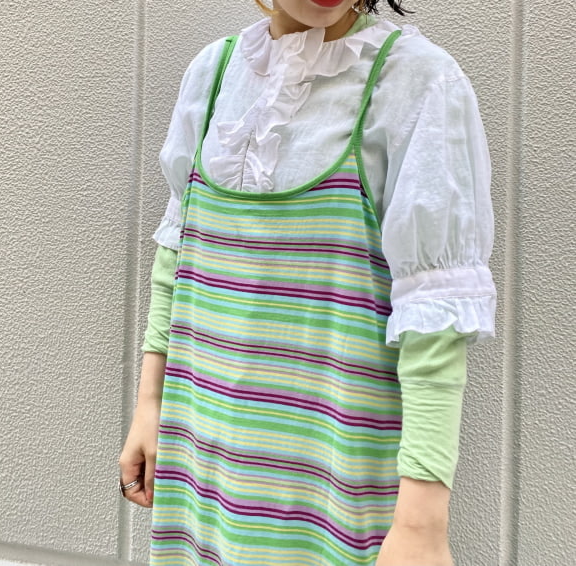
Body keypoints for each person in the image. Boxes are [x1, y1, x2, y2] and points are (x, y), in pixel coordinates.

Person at [119, 0, 496, 564]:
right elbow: (178, 253)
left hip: (335, 484)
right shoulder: (214, 72)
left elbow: (436, 314)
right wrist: (150, 403)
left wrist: (422, 521)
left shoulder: (414, 81)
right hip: (200, 464)